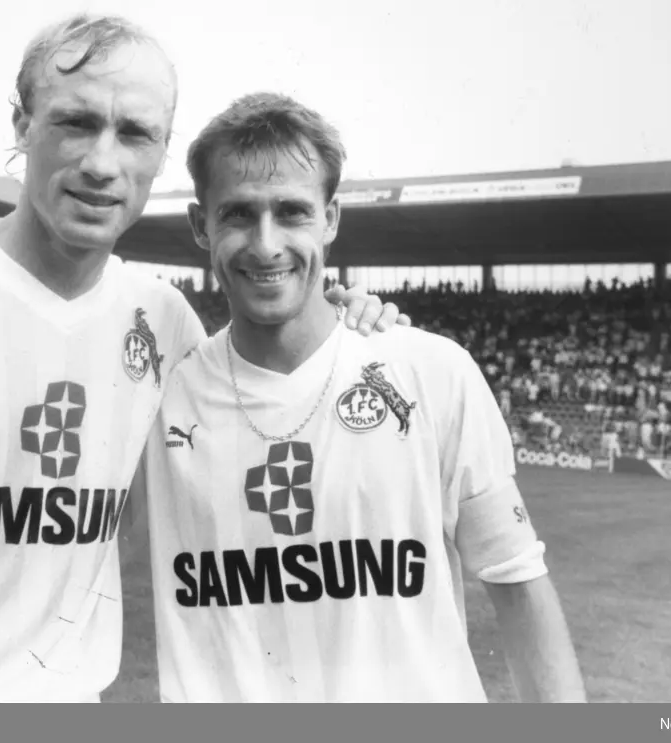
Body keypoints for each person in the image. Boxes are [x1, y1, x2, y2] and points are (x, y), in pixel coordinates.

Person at [0, 14, 409, 704]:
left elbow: (273, 405)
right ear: (23, 124)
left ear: (161, 151)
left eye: (135, 133)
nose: (101, 163)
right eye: (76, 122)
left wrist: (357, 321)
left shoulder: (164, 324)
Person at [136, 92, 587, 703]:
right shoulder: (157, 396)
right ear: (200, 225)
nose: (266, 244)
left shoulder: (431, 371)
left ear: (332, 219)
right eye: (238, 214)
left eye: (292, 212)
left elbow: (517, 582)